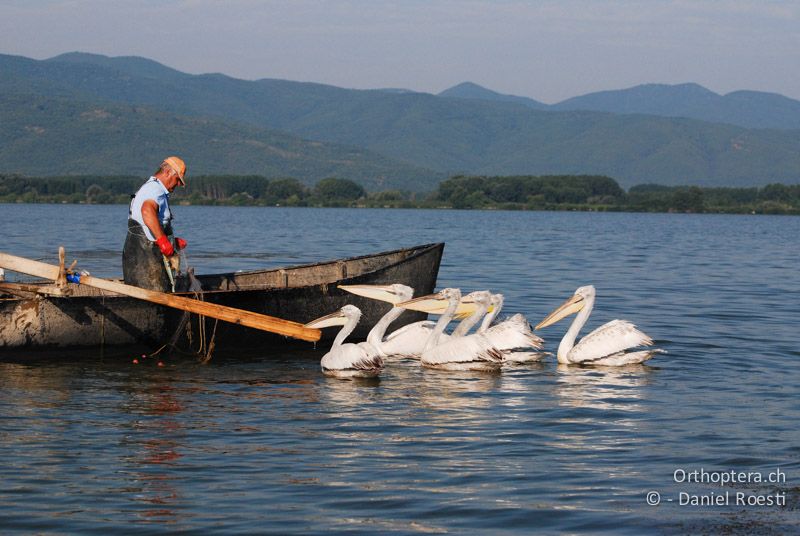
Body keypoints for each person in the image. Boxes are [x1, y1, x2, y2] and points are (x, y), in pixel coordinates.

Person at [123, 156, 188, 291]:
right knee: (154, 299)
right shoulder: (155, 189)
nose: (179, 185)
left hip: (144, 257)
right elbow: (147, 211)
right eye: (178, 180)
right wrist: (163, 240)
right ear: (168, 172)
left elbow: (151, 227)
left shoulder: (154, 189)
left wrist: (172, 242)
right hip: (144, 260)